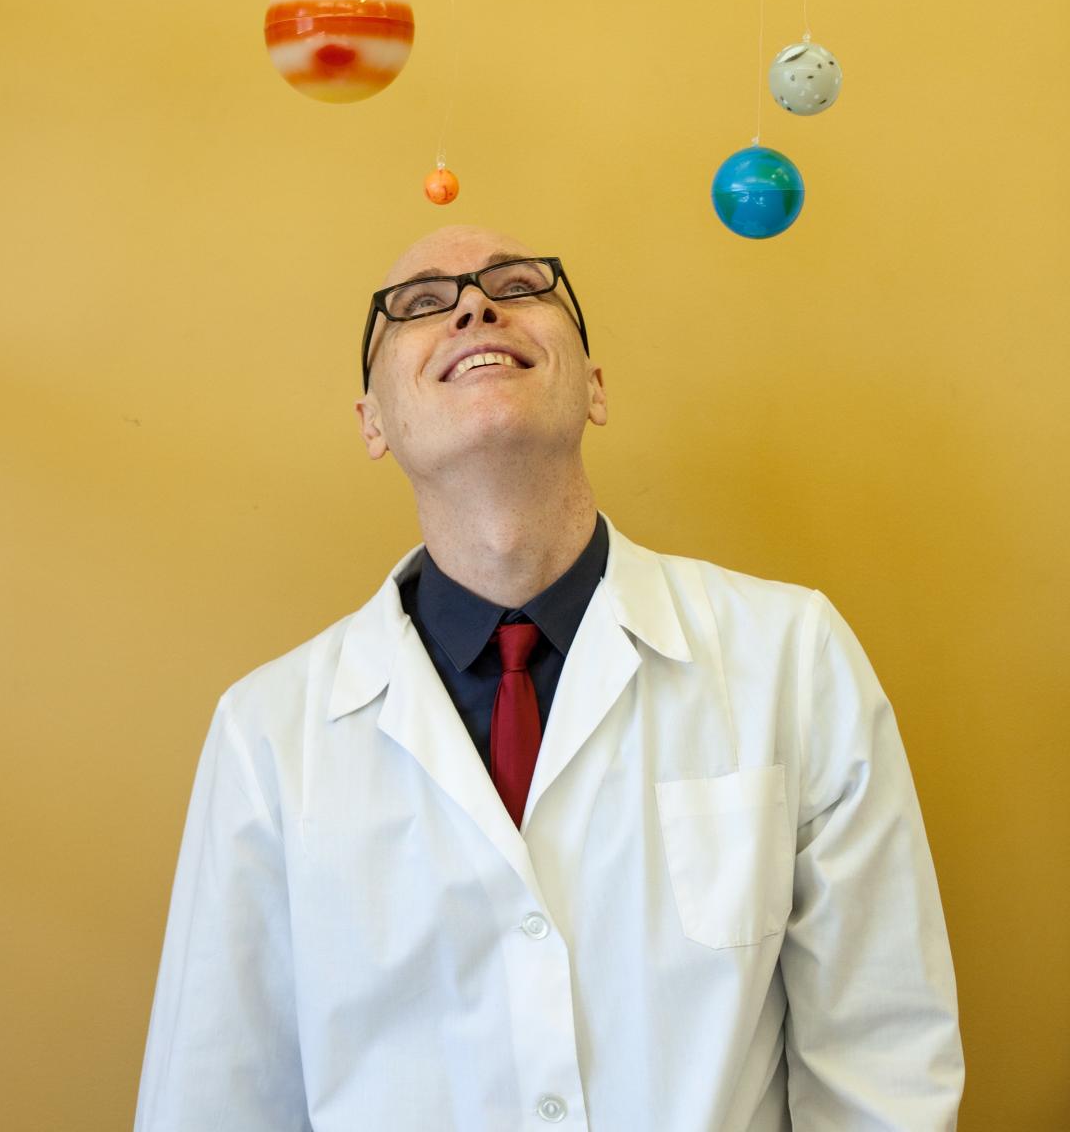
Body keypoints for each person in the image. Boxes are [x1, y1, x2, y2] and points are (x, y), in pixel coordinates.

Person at [134, 223, 964, 1131]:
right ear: (372, 422)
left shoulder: (791, 655)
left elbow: (882, 1069)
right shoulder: (266, 734)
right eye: (418, 304)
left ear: (596, 388)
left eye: (520, 285)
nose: (472, 305)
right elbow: (216, 1100)